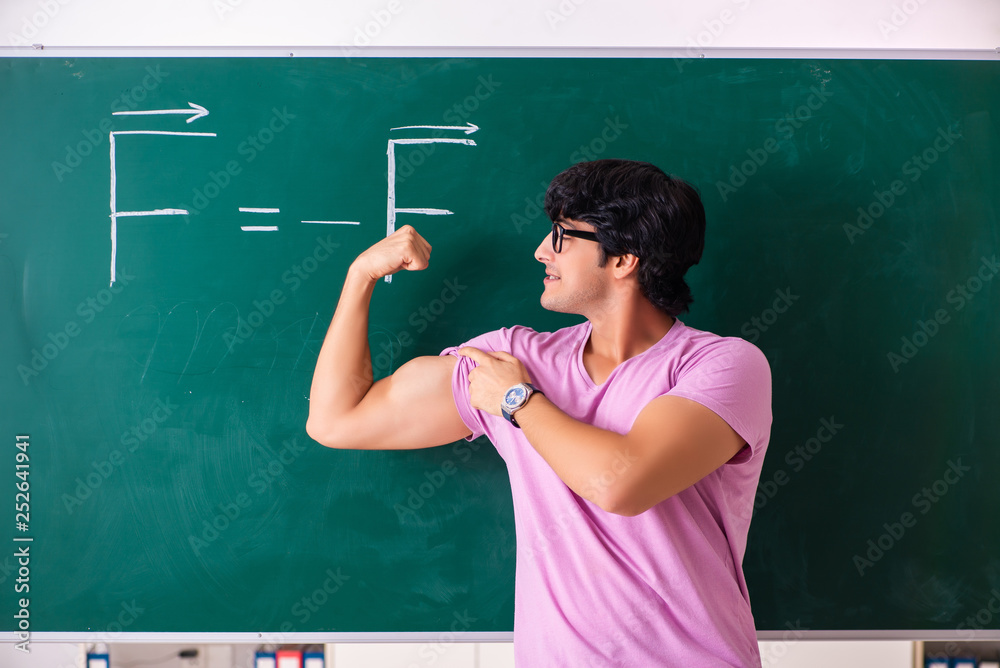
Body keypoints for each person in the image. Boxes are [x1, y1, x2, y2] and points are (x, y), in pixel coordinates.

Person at [307, 159, 772, 667]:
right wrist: (360, 277)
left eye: (561, 235)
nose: (540, 251)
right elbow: (337, 419)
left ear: (624, 259)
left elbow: (623, 482)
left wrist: (517, 403)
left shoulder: (723, 366)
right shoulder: (513, 360)